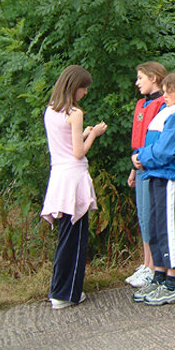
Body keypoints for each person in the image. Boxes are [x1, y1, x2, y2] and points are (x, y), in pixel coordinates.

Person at [131, 71, 175, 306]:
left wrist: (142, 156)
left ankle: (172, 282)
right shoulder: (169, 111)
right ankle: (159, 275)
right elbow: (155, 144)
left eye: (169, 92)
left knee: (169, 227)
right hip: (157, 172)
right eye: (164, 92)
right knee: (156, 226)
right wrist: (140, 157)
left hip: (172, 174)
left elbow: (166, 149)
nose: (165, 96)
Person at [41, 66, 107, 309]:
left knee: (65, 236)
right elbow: (78, 152)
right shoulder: (75, 112)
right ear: (74, 87)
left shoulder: (50, 111)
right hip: (74, 178)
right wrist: (94, 134)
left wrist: (83, 133)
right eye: (84, 87)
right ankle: (65, 293)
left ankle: (62, 289)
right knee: (76, 238)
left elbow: (66, 144)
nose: (86, 92)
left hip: (58, 177)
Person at [125, 62, 166, 288]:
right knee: (143, 215)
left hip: (151, 166)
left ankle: (153, 266)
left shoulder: (162, 104)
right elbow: (138, 140)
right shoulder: (142, 104)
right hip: (139, 165)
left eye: (141, 78)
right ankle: (146, 263)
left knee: (151, 217)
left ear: (154, 78)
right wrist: (133, 168)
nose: (137, 82)